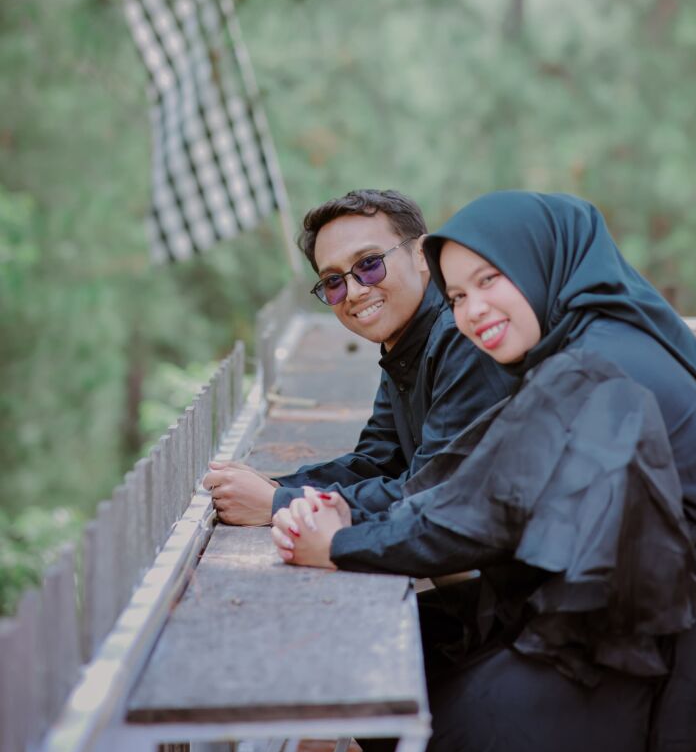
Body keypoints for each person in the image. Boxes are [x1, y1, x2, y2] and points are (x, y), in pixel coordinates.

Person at [273, 191, 696, 752]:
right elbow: (477, 483)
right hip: (641, 590)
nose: (472, 310)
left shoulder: (595, 366)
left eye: (490, 279)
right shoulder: (587, 345)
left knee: (466, 736)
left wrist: (340, 543)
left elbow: (482, 511)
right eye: (458, 295)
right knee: (419, 662)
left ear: (541, 262)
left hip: (669, 620)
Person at [203, 189, 515, 525]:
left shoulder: (461, 336)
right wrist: (278, 487)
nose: (354, 292)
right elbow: (380, 461)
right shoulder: (403, 343)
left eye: (369, 264)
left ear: (422, 254)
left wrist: (280, 503)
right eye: (333, 281)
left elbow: (436, 493)